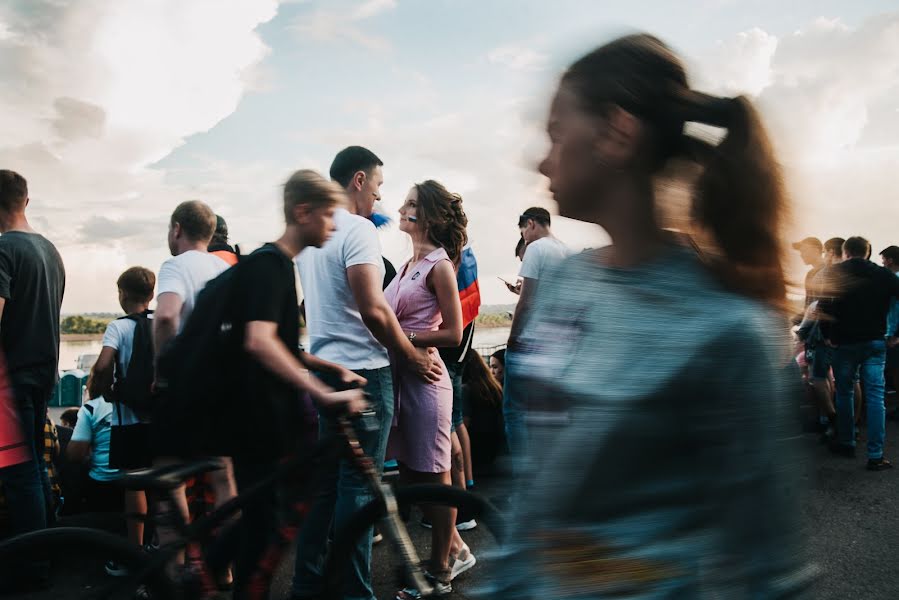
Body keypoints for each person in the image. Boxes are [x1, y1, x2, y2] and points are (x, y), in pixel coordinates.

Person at [487, 34, 812, 598]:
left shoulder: (727, 331)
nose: (540, 159)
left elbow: (767, 572)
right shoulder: (566, 281)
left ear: (617, 133)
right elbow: (535, 497)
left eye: (558, 133)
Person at [182, 169, 367, 598]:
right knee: (261, 535)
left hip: (265, 418)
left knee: (259, 521)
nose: (334, 225)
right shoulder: (270, 266)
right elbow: (259, 342)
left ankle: (199, 578)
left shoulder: (278, 267)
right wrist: (321, 391)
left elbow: (282, 345)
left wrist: (331, 369)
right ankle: (203, 578)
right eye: (327, 215)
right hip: (255, 422)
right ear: (303, 213)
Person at [292, 147, 441, 600]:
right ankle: (355, 593)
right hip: (364, 373)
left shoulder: (311, 237)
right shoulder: (356, 230)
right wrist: (410, 355)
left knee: (327, 487)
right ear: (358, 180)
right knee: (359, 488)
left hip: (325, 372)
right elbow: (373, 309)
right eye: (378, 185)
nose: (380, 195)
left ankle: (307, 584)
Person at [386, 180, 475, 597]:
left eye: (410, 203)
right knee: (409, 473)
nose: (401, 208)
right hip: (402, 378)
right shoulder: (407, 265)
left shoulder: (439, 265)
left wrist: (409, 340)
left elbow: (454, 333)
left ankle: (440, 567)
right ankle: (454, 547)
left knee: (436, 475)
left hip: (426, 380)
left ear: (430, 215)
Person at [152, 200, 232, 577]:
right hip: (221, 389)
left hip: (184, 389)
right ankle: (228, 571)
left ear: (177, 229)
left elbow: (166, 316)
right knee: (224, 480)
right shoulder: (225, 269)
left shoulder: (175, 266)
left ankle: (175, 572)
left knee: (170, 483)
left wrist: (161, 370)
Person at [0, 169, 65, 587]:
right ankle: (46, 554)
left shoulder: (4, 249)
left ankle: (30, 568)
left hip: (12, 375)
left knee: (18, 473)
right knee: (36, 468)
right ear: (27, 201)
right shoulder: (50, 251)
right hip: (44, 371)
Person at [90, 266, 157, 564]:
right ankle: (163, 544)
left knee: (135, 482)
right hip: (161, 417)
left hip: (128, 417)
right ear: (152, 294)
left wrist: (100, 391)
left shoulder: (118, 327)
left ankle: (135, 551)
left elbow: (104, 366)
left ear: (122, 293)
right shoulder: (164, 322)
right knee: (164, 480)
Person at [819, 237, 899, 469]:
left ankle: (847, 442)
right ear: (866, 252)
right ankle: (875, 456)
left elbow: (822, 306)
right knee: (876, 397)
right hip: (875, 342)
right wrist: (896, 333)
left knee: (844, 393)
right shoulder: (884, 275)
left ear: (845, 252)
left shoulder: (833, 273)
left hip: (844, 343)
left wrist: (827, 336)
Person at [504, 207, 570, 464]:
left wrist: (513, 338)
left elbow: (527, 302)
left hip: (531, 342)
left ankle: (523, 473)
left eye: (523, 230)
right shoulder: (565, 250)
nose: (524, 237)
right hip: (559, 345)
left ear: (530, 224)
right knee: (551, 415)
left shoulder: (536, 248)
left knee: (515, 411)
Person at [461, 351, 506, 470]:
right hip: (494, 450)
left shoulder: (466, 389)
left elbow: (464, 425)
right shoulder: (494, 388)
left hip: (475, 454)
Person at [880, 246, 899, 398]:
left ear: (890, 260)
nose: (883, 263)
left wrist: (895, 334)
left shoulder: (895, 279)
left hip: (894, 332)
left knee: (896, 370)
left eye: (884, 260)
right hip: (893, 331)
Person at [792, 236, 824, 307]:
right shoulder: (809, 274)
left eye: (804, 250)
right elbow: (807, 305)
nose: (801, 255)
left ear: (816, 250)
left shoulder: (830, 271)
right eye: (800, 252)